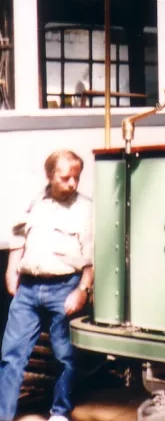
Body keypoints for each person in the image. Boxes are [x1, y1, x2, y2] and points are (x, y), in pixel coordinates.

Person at [0, 150, 93, 421]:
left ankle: (60, 412)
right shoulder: (33, 203)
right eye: (66, 178)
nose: (73, 184)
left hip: (64, 288)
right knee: (11, 356)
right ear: (50, 175)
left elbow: (91, 255)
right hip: (27, 289)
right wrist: (10, 272)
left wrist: (82, 289)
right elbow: (18, 238)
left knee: (65, 356)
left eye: (77, 178)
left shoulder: (86, 208)